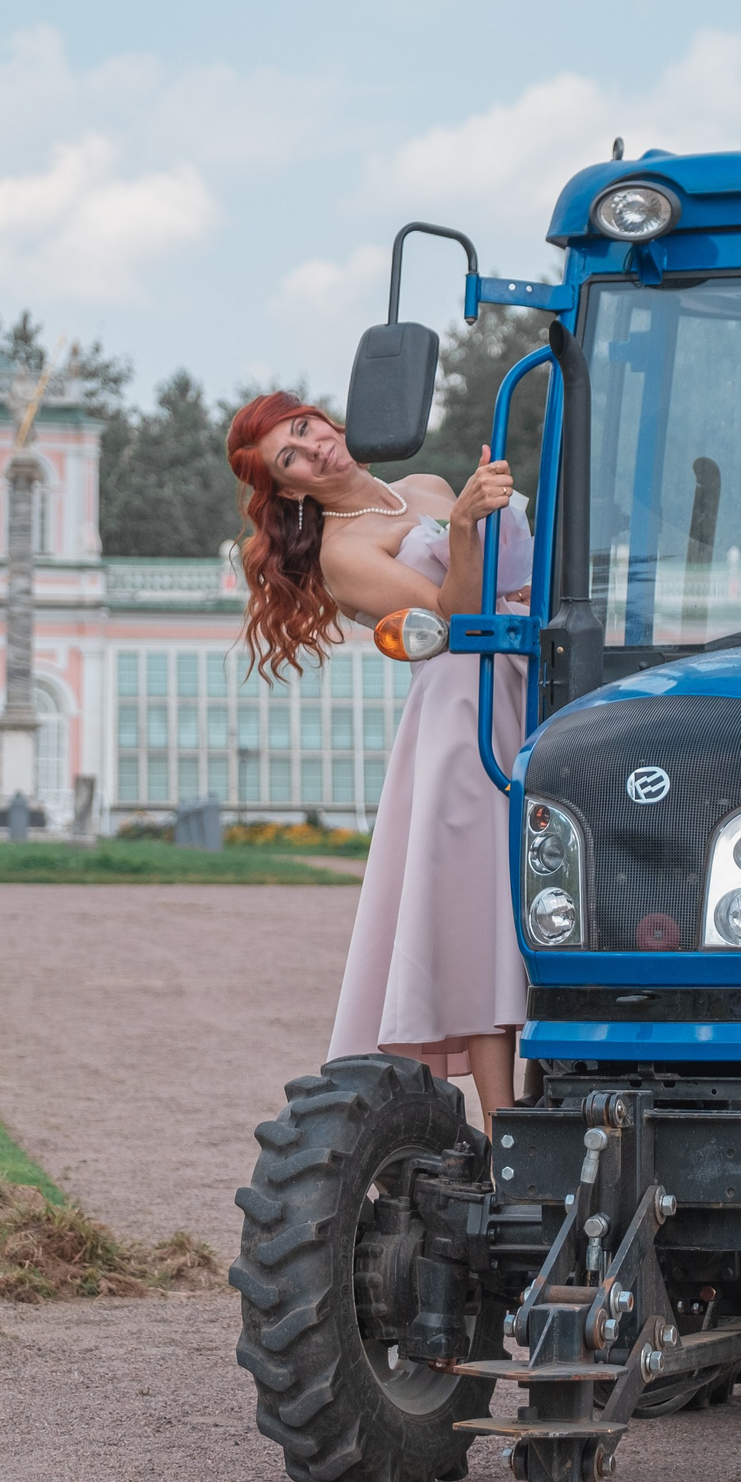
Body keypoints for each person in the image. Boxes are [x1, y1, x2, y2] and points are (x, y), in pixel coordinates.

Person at [226, 390, 530, 1128]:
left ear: (329, 420)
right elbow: (455, 619)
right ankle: (507, 1129)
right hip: (469, 707)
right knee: (481, 908)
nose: (312, 449)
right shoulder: (344, 553)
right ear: (290, 489)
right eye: (289, 458)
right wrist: (463, 524)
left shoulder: (422, 487)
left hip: (541, 672)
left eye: (305, 429)